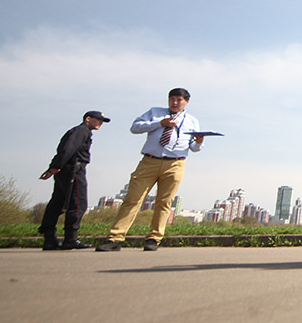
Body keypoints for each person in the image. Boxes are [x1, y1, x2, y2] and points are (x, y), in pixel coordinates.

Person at [96, 88, 205, 252]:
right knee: (133, 198)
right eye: (172, 99)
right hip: (150, 161)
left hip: (175, 164)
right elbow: (135, 127)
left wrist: (199, 142)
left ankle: (154, 238)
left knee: (165, 202)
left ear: (187, 102)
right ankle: (115, 238)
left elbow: (194, 148)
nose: (175, 103)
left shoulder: (192, 121)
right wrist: (160, 123)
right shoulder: (155, 112)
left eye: (179, 100)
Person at [38, 110, 110, 250]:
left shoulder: (78, 131)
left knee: (57, 203)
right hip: (73, 170)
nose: (100, 123)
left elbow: (63, 150)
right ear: (88, 119)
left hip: (65, 169)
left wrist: (54, 167)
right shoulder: (81, 131)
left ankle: (49, 238)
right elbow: (68, 149)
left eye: (102, 121)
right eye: (98, 120)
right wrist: (55, 167)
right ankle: (70, 239)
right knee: (78, 203)